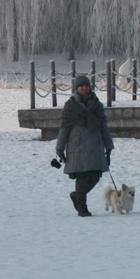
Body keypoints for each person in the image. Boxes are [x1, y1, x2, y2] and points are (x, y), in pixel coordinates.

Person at [56, 75, 114, 216]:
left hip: (95, 146)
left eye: (86, 86)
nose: (84, 88)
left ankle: (77, 196)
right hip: (78, 146)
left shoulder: (97, 104)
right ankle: (82, 207)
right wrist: (60, 148)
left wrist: (109, 147)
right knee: (82, 177)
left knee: (95, 176)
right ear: (76, 88)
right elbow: (64, 128)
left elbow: (104, 127)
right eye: (81, 86)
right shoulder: (70, 106)